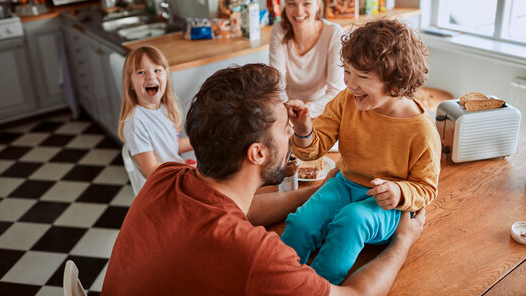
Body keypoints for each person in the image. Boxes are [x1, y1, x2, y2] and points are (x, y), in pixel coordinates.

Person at [102, 63, 426, 296]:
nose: (291, 132)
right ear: (257, 153)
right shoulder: (256, 255)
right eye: (285, 127)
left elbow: (243, 211)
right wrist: (402, 243)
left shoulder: (166, 177)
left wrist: (317, 191)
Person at [282, 19, 441, 285]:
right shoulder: (346, 101)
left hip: (384, 206)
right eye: (348, 72)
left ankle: (320, 288)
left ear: (395, 85)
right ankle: (278, 276)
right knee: (301, 223)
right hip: (344, 184)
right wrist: (303, 129)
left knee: (351, 219)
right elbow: (314, 148)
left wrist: (399, 192)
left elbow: (426, 188)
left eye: (363, 77)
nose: (350, 84)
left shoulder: (422, 131)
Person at [269, 0, 345, 118]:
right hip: (288, 112)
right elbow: (277, 87)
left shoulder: (333, 32)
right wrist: (291, 111)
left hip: (323, 112)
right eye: (292, 4)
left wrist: (303, 109)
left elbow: (336, 92)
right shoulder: (279, 30)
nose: (299, 11)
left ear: (318, 3)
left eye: (306, 3)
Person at [118, 45, 193, 188]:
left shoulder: (164, 110)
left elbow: (170, 146)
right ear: (130, 84)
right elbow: (152, 172)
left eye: (157, 70)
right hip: (161, 187)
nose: (151, 76)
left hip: (174, 176)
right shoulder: (136, 121)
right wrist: (189, 171)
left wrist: (201, 141)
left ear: (166, 76)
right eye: (141, 72)